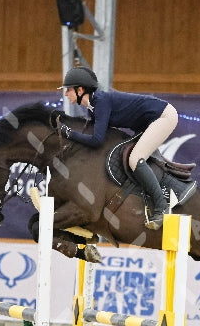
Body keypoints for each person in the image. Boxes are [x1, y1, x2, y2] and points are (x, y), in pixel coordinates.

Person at [57, 66, 178, 230]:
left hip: (164, 117)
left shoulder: (100, 102)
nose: (65, 94)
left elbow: (97, 140)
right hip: (147, 123)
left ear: (80, 89)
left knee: (135, 159)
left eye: (68, 90)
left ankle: (161, 206)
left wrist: (69, 133)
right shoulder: (93, 107)